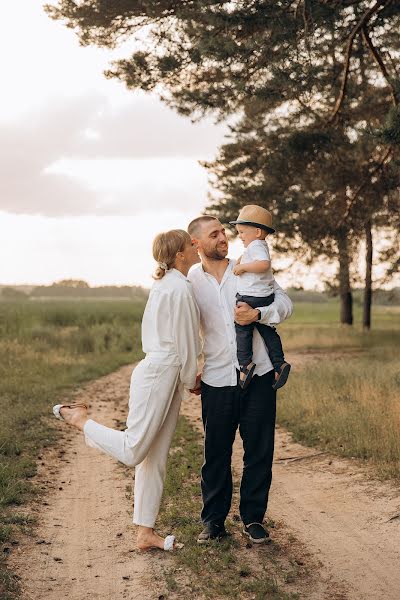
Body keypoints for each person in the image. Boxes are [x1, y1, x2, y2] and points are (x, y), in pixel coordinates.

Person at [52, 229, 200, 552]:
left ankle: (145, 534)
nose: (196, 247)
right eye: (191, 244)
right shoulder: (179, 288)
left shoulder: (169, 284)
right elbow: (187, 343)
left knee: (154, 458)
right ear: (179, 254)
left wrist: (184, 379)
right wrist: (192, 379)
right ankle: (80, 420)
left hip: (165, 374)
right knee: (135, 451)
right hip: (160, 373)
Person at [187, 215, 293, 545]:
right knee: (216, 452)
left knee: (259, 451)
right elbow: (185, 328)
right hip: (217, 377)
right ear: (196, 244)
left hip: (258, 375)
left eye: (224, 232)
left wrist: (259, 315)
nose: (224, 238)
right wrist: (190, 370)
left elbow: (286, 303)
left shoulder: (249, 266)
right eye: (214, 234)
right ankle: (213, 522)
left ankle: (253, 519)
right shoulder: (190, 280)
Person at [230, 205, 291, 390]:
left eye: (242, 232)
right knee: (268, 332)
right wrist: (242, 260)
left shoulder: (256, 245)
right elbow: (256, 260)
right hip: (263, 297)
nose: (240, 236)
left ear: (257, 232)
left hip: (251, 297)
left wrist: (242, 268)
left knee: (242, 329)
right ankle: (279, 363)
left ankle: (245, 365)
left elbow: (264, 264)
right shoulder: (257, 246)